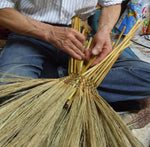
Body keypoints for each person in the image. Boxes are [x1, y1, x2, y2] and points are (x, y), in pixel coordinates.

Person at [0, 0, 150, 107]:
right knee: (8, 90)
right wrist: (49, 32)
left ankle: (53, 79)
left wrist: (104, 30)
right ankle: (64, 83)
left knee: (146, 76)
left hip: (80, 37)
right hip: (30, 33)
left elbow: (112, 3)